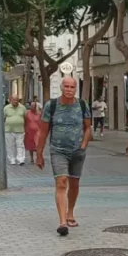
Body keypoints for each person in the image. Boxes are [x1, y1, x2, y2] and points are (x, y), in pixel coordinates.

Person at [36, 76, 92, 236]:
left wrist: (83, 145)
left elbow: (88, 127)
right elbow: (44, 131)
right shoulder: (51, 106)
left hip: (77, 151)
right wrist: (39, 153)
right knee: (61, 182)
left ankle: (70, 213)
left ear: (76, 89)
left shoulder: (82, 105)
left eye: (72, 87)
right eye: (66, 86)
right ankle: (62, 222)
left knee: (74, 183)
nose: (69, 89)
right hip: (58, 150)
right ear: (61, 88)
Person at [3, 94, 27, 165]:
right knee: (10, 146)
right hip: (9, 130)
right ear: (10, 100)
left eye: (17, 100)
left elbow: (26, 117)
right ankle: (12, 159)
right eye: (14, 100)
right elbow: (3, 118)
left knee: (20, 145)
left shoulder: (22, 108)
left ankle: (21, 159)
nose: (15, 101)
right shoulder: (6, 108)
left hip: (20, 130)